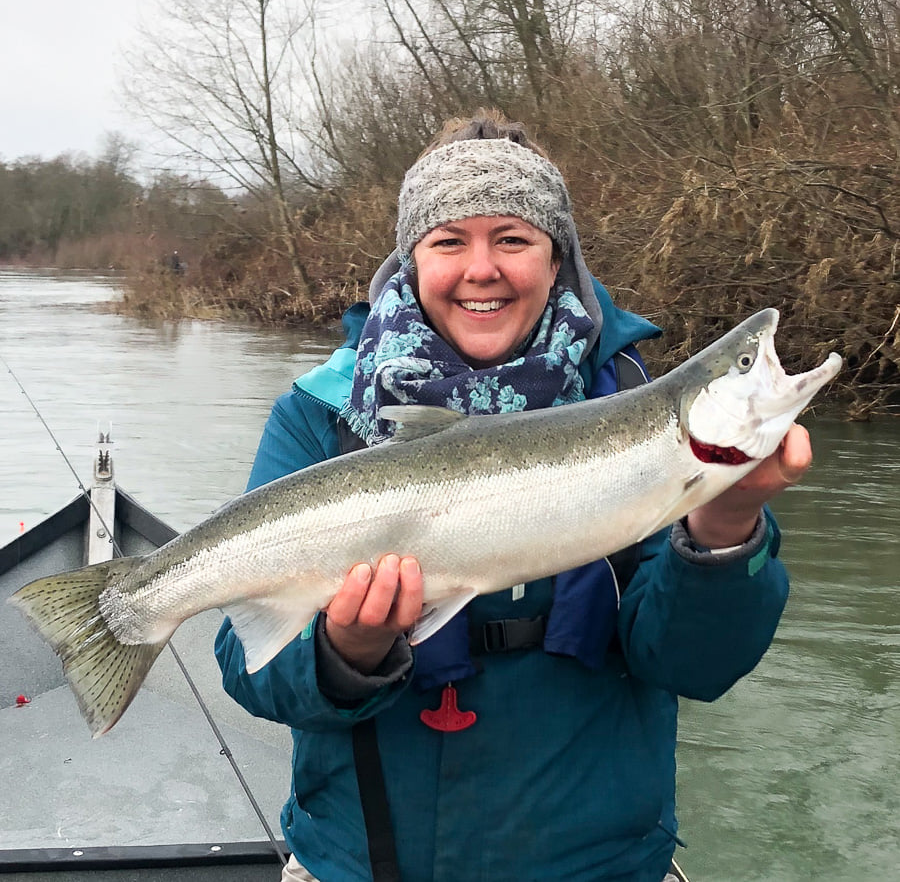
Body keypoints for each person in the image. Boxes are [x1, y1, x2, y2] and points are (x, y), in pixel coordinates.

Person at [216, 111, 809, 882]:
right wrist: (344, 652)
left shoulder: (631, 403)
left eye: (513, 238)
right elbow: (246, 666)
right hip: (363, 866)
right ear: (411, 258)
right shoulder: (321, 414)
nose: (481, 268)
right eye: (448, 240)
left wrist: (727, 526)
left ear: (557, 257)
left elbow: (698, 665)